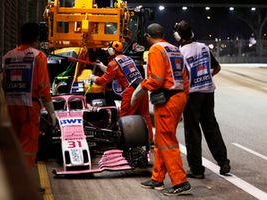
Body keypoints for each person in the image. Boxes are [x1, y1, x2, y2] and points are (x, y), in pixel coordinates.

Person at [131, 23, 191, 196]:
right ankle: (157, 178)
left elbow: (156, 80)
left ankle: (180, 181)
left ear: (148, 37)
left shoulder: (156, 50)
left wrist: (141, 87)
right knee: (161, 140)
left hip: (167, 99)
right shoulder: (174, 49)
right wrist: (182, 100)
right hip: (177, 97)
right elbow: (185, 77)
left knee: (167, 142)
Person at [173, 20, 231, 178]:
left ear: (178, 36)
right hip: (208, 92)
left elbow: (180, 77)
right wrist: (205, 76)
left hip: (192, 95)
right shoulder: (203, 47)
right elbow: (217, 67)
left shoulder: (181, 52)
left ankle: (197, 169)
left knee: (192, 132)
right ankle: (223, 162)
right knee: (211, 126)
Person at [2, 22, 56, 170]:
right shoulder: (39, 56)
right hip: (29, 108)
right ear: (37, 38)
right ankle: (25, 184)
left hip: (10, 106)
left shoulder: (7, 56)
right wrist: (51, 113)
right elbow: (44, 88)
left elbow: (4, 84)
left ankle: (13, 178)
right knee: (28, 146)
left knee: (14, 143)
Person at [89, 41, 154, 143]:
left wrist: (93, 78)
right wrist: (102, 66)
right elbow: (117, 72)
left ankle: (125, 141)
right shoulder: (127, 58)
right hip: (142, 87)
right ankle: (150, 140)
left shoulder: (113, 63)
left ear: (111, 50)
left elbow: (103, 80)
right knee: (145, 115)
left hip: (131, 90)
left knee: (125, 117)